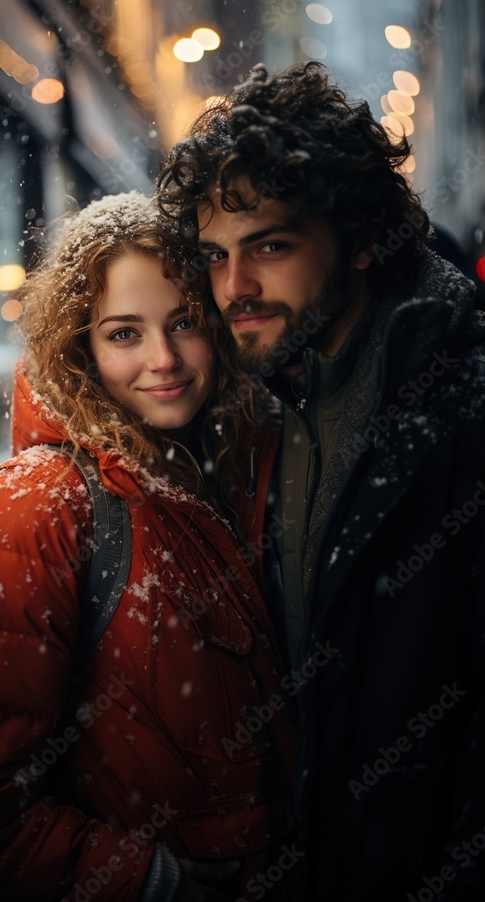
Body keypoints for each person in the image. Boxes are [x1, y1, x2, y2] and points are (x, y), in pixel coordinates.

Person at [0, 192, 295, 901]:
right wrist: (151, 881)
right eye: (123, 334)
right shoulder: (30, 510)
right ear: (76, 346)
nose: (164, 359)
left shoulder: (220, 478)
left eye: (183, 322)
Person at [156, 61, 485, 902]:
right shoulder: (259, 410)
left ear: (362, 236)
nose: (235, 288)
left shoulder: (462, 404)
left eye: (270, 244)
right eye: (215, 256)